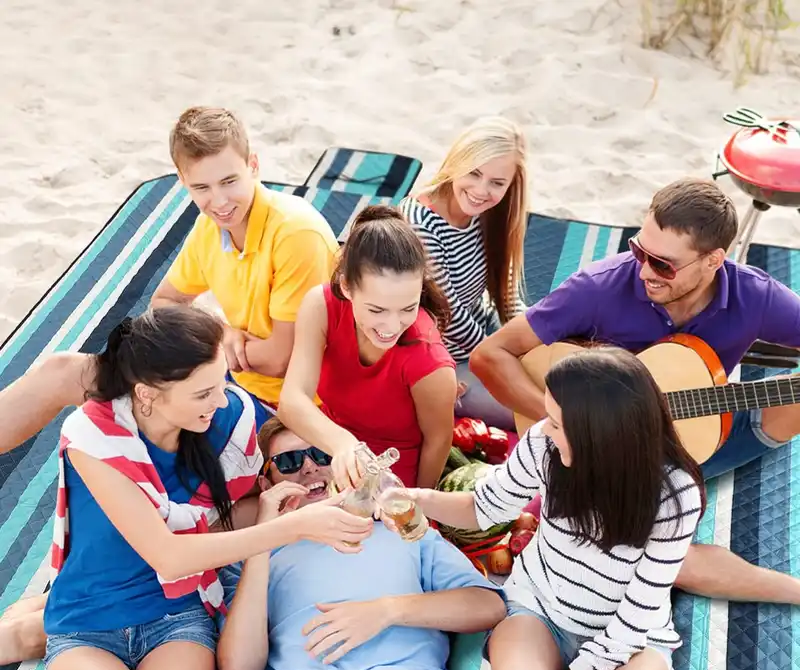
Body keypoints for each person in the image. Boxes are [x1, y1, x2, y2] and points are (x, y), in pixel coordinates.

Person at [11, 307, 373, 670]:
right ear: (147, 395)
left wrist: (341, 471)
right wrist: (289, 528)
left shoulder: (222, 417)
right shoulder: (94, 438)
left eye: (222, 383)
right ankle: (24, 628)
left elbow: (281, 441)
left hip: (178, 621)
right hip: (88, 622)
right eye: (204, 393)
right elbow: (169, 556)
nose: (221, 400)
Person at [469, 176, 800, 605]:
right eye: (639, 250)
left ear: (713, 260)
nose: (644, 270)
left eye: (663, 264)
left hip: (694, 437)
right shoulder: (598, 288)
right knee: (665, 560)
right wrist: (568, 423)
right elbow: (490, 355)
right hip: (604, 455)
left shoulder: (754, 295)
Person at [411, 347, 704, 670]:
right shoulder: (544, 446)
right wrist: (419, 499)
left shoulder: (675, 493)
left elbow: (633, 625)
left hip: (631, 639)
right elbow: (483, 506)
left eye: (557, 422)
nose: (544, 429)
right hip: (540, 612)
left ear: (600, 435)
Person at [0, 105, 339, 452]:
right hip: (223, 378)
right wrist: (222, 333)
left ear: (253, 165)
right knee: (60, 371)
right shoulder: (211, 227)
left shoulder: (296, 233)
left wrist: (215, 352)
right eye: (202, 187)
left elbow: (279, 361)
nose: (219, 201)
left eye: (229, 181)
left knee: (134, 419)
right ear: (182, 181)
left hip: (283, 409)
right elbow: (165, 302)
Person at [215, 414, 506, 670]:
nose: (307, 466)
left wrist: (386, 610)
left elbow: (487, 604)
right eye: (288, 462)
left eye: (320, 454)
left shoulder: (401, 531)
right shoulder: (258, 558)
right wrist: (261, 540)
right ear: (268, 484)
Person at [278, 205, 458, 491]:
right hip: (326, 448)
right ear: (347, 287)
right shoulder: (321, 306)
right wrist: (344, 445)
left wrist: (420, 505)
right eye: (377, 309)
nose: (392, 324)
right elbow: (291, 401)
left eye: (407, 308)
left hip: (389, 479)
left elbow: (438, 442)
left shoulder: (430, 363)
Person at [400, 116, 528, 430]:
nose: (481, 190)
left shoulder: (492, 213)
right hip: (441, 357)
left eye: (497, 183)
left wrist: (530, 331)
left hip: (484, 334)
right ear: (458, 163)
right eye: (474, 173)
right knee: (529, 411)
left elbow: (505, 294)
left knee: (556, 369)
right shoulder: (420, 221)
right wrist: (502, 358)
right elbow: (450, 315)